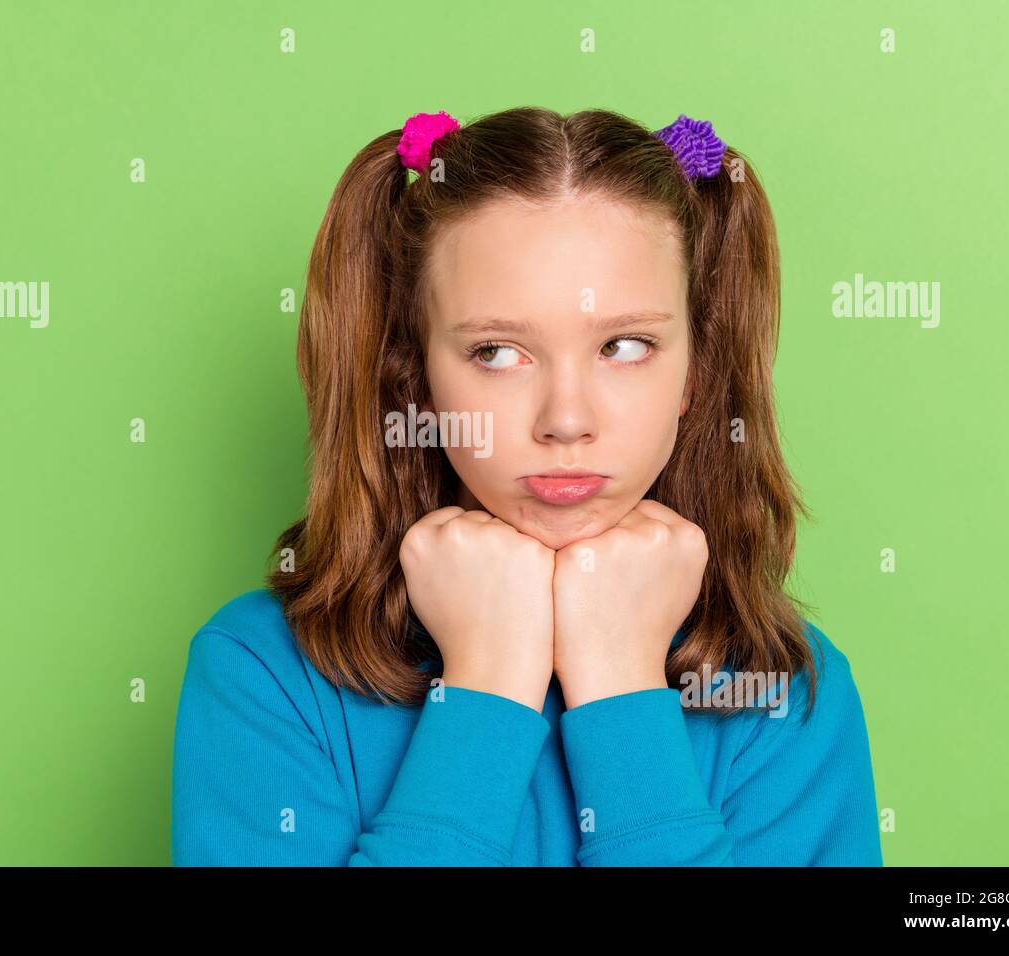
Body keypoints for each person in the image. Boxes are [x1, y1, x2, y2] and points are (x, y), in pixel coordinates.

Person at [171, 107, 883, 866]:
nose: (566, 420)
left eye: (626, 345)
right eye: (498, 352)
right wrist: (485, 689)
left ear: (694, 371)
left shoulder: (781, 693)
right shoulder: (263, 675)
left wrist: (620, 693)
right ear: (413, 376)